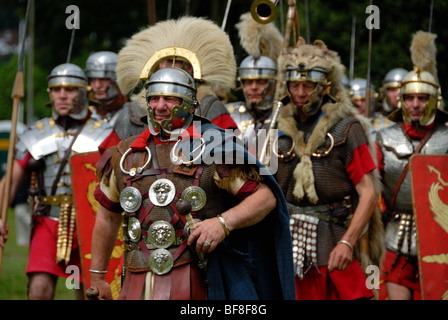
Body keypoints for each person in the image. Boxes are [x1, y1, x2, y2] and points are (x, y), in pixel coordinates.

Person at [89, 66, 295, 300]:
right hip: (138, 280)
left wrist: (222, 223)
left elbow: (265, 198)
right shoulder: (124, 153)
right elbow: (107, 216)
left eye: (169, 98)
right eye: (154, 98)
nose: (159, 106)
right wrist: (97, 276)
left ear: (188, 101)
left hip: (201, 278)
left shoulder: (215, 148)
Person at [274, 38, 384, 300]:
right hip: (284, 241)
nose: (301, 92)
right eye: (295, 85)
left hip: (333, 238)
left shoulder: (347, 129)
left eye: (308, 85)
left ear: (324, 88)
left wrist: (348, 241)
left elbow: (368, 193)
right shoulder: (272, 129)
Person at [0, 63, 115, 299]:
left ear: (84, 92)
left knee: (90, 293)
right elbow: (9, 182)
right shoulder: (36, 133)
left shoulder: (105, 133)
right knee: (39, 289)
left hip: (91, 225)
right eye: (56, 89)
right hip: (48, 220)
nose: (62, 95)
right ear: (49, 94)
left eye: (70, 89)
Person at [376, 31, 448, 300]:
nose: (415, 105)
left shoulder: (447, 138)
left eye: (422, 98)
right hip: (396, 235)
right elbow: (371, 192)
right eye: (409, 98)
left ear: (434, 100)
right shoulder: (384, 138)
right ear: (401, 100)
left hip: (441, 235)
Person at [115, 16, 238, 132]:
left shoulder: (209, 107)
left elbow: (230, 152)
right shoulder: (132, 111)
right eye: (159, 62)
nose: (162, 66)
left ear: (190, 67)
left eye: (171, 61)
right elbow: (111, 153)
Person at [226, 12, 283, 153]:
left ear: (274, 83)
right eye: (248, 82)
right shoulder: (228, 115)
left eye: (261, 82)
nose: (254, 88)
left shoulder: (285, 117)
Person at [85, 51, 146, 141]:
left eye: (104, 79)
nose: (97, 85)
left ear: (118, 80)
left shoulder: (136, 115)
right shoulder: (85, 115)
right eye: (92, 80)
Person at [371, 68, 408, 136]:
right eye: (392, 90)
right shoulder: (374, 120)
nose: (397, 94)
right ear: (385, 92)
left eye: (401, 89)